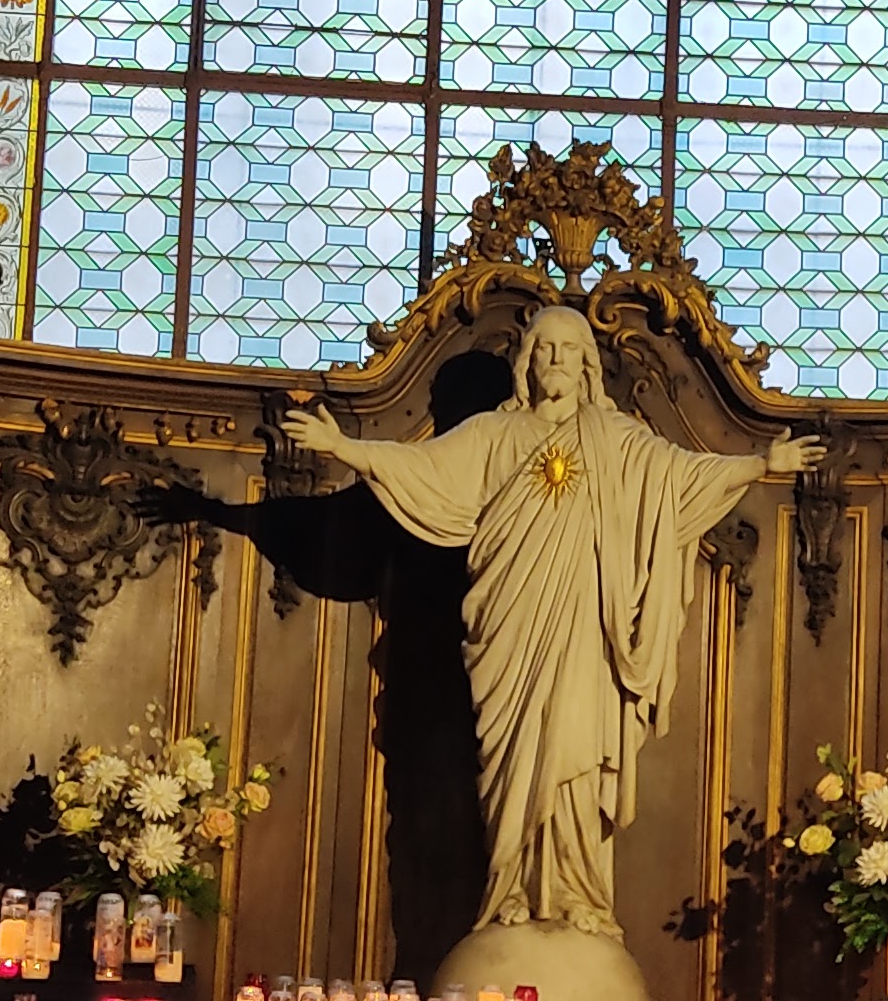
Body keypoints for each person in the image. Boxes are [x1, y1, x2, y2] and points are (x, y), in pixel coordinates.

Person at [295, 305, 817, 936]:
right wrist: (343, 448)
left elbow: (677, 477)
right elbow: (423, 469)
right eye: (545, 349)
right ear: (527, 363)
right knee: (512, 760)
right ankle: (510, 888)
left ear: (588, 364)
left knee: (576, 756)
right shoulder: (492, 435)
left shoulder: (616, 439)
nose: (557, 361)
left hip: (583, 634)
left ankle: (577, 893)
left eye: (570, 350)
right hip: (511, 633)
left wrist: (760, 465)